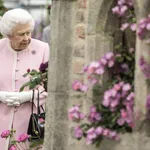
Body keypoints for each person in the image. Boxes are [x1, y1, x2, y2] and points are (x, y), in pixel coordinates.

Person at [0, 8, 49, 149]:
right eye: (21, 34)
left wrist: (27, 96)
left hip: (29, 124)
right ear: (9, 35)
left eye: (29, 32)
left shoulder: (43, 49)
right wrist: (1, 96)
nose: (27, 38)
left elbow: (51, 86)